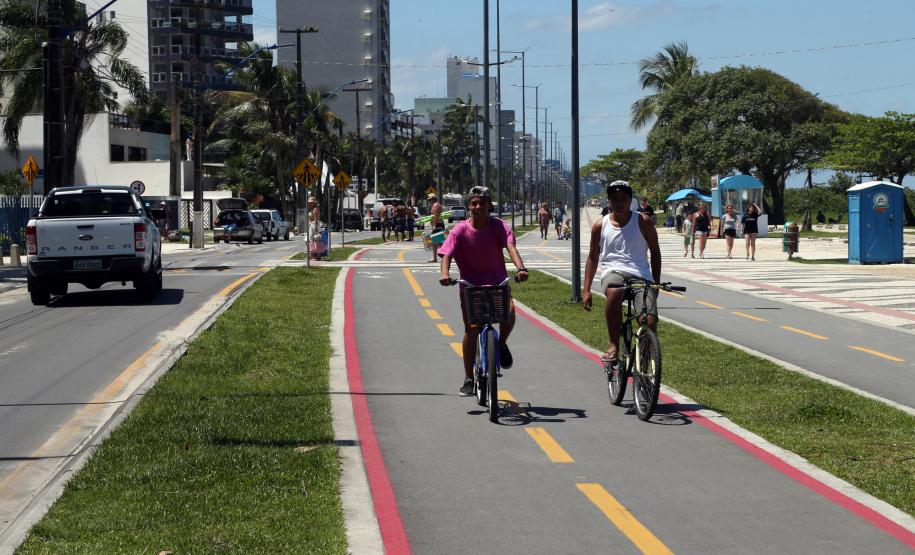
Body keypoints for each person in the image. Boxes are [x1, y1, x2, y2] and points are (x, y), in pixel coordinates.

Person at [438, 186, 529, 396]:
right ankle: (468, 378)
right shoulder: (460, 229)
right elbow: (446, 255)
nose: (477, 207)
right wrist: (444, 274)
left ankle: (502, 344)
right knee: (472, 329)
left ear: (489, 206)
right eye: (473, 203)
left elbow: (511, 247)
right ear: (469, 206)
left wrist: (521, 268)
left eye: (482, 203)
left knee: (510, 313)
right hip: (470, 286)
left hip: (497, 283)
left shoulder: (497, 226)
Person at [582, 180, 661, 366]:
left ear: (630, 200)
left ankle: (645, 366)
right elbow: (593, 258)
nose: (619, 203)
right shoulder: (600, 225)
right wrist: (586, 290)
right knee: (615, 291)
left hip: (641, 274)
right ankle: (613, 344)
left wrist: (656, 283)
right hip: (613, 271)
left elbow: (655, 253)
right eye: (614, 199)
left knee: (648, 321)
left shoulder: (643, 221)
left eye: (623, 199)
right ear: (609, 201)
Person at [427, 194, 444, 262]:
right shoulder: (435, 205)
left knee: (435, 242)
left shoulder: (436, 205)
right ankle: (445, 256)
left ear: (433, 199)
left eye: (430, 199)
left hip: (438, 225)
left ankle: (435, 258)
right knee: (439, 242)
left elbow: (436, 216)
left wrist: (434, 225)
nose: (429, 201)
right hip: (438, 225)